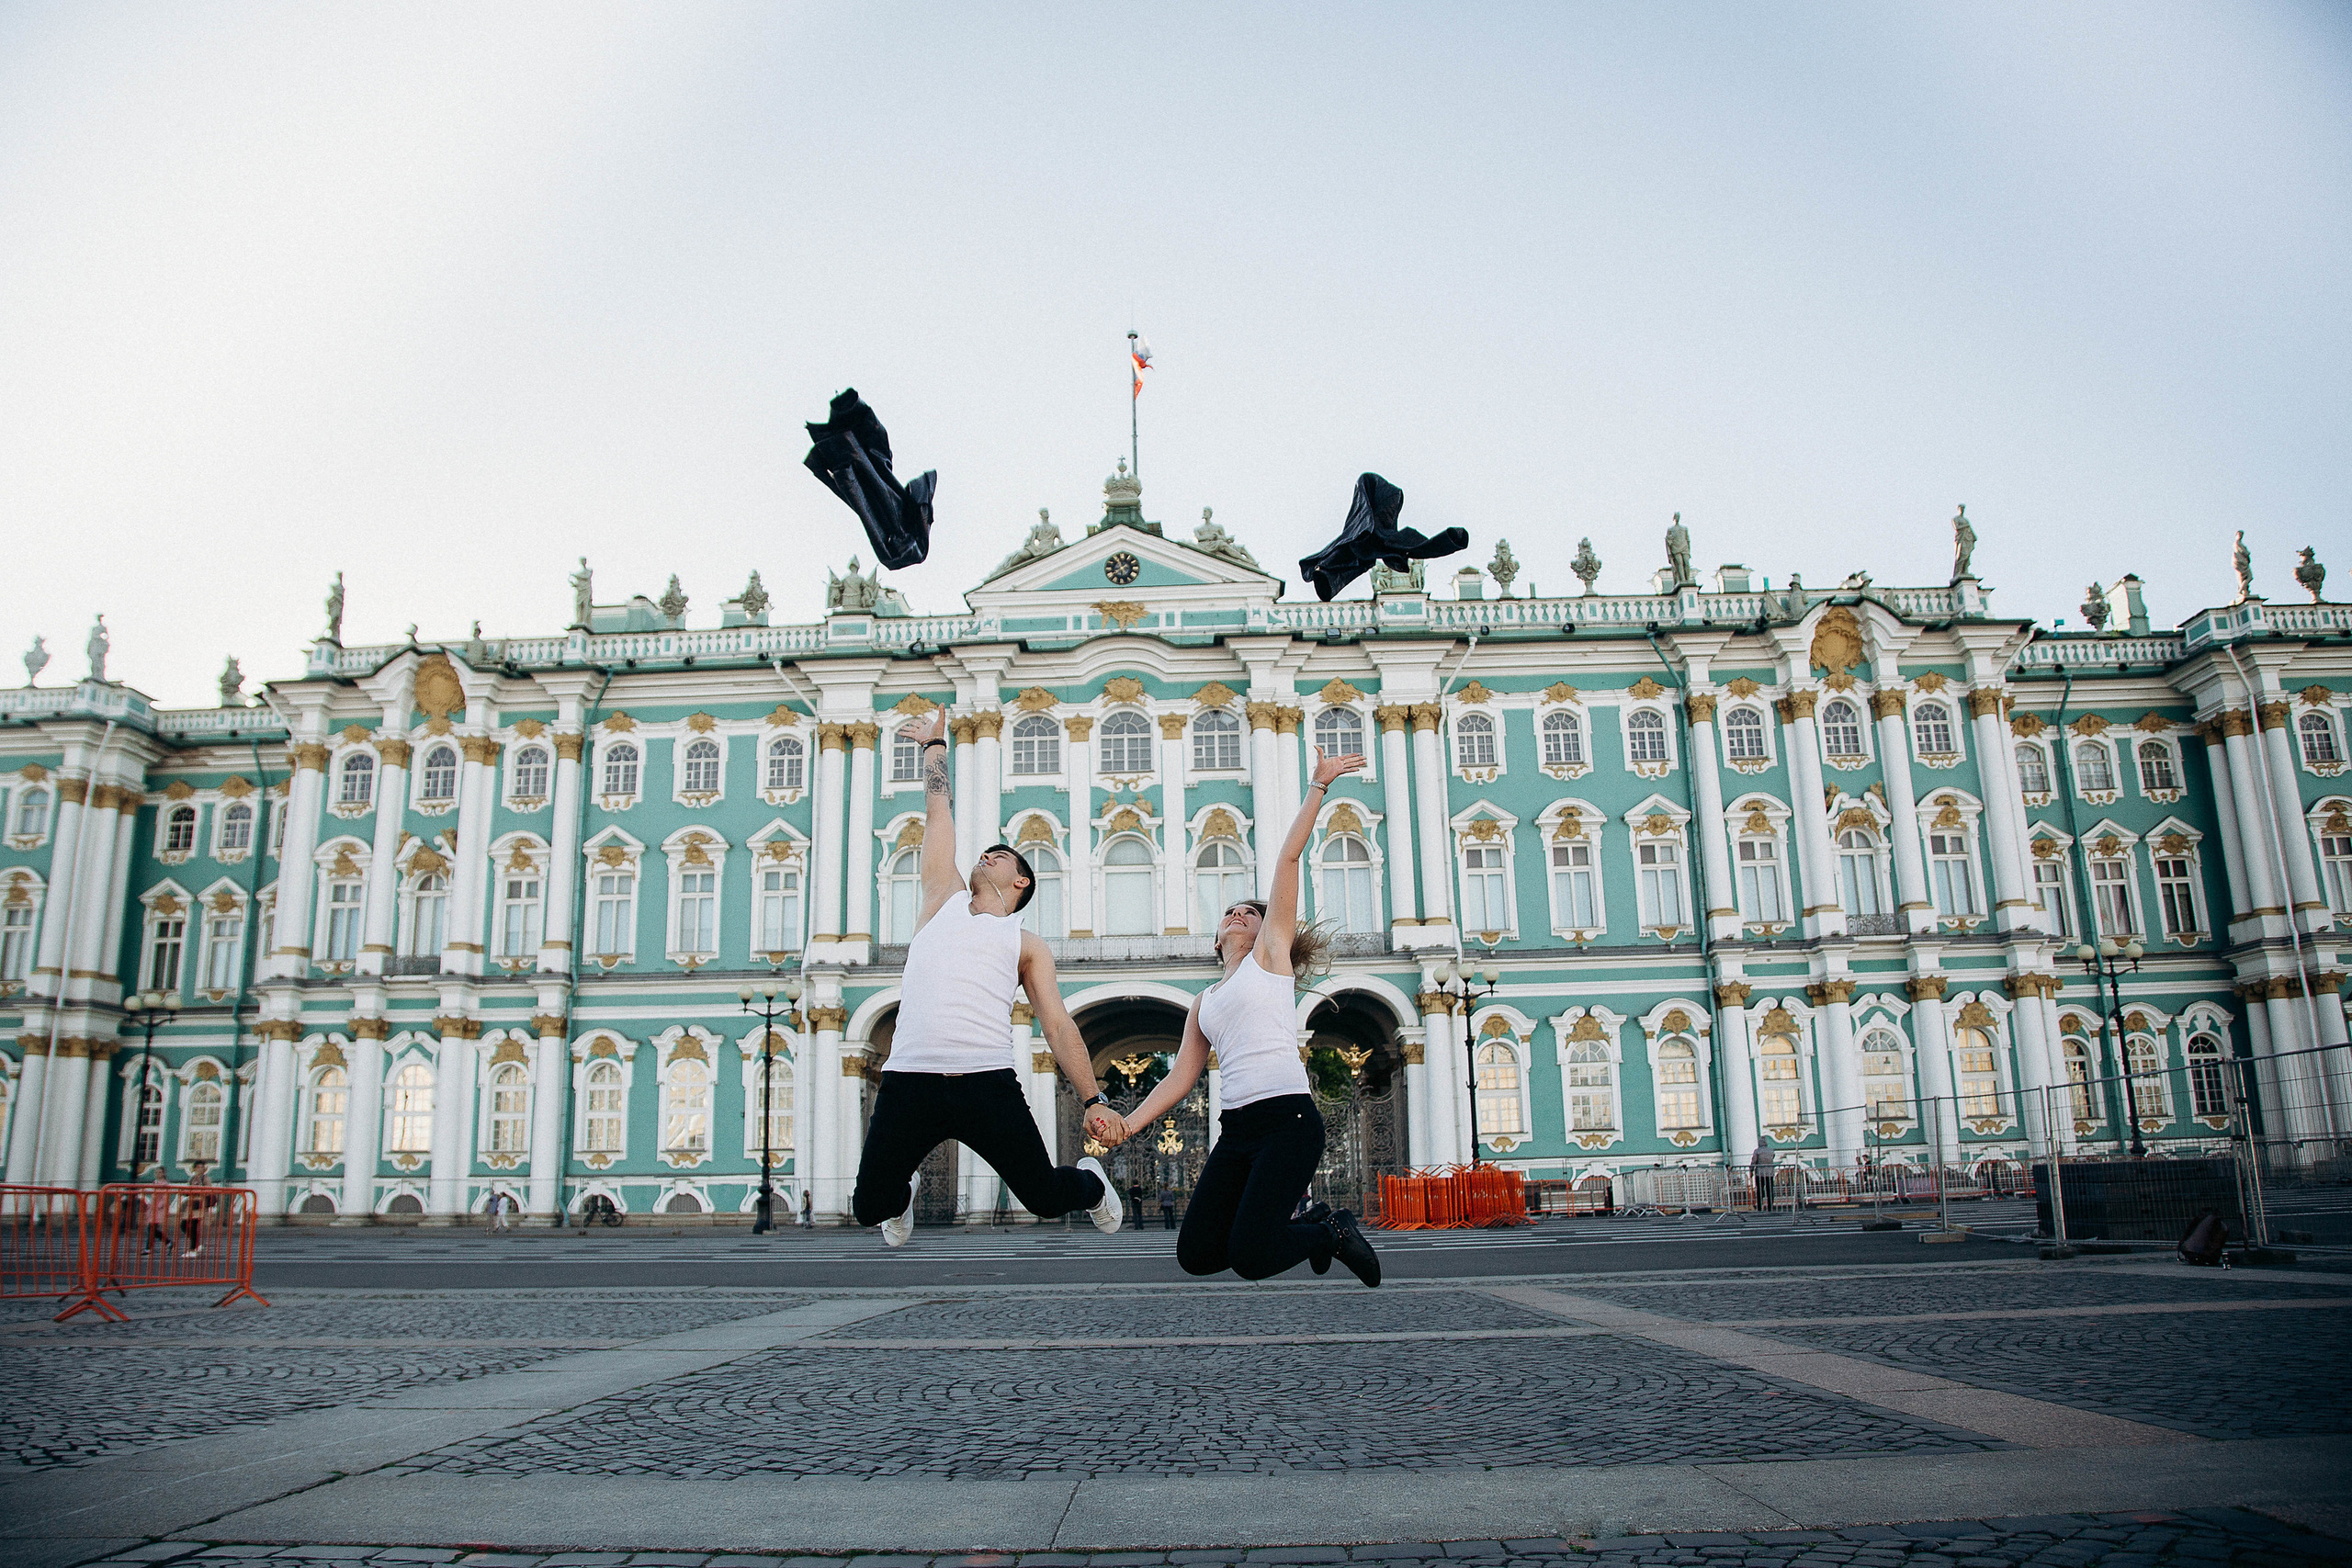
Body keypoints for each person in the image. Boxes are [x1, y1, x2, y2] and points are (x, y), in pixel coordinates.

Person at [851, 705, 1125, 1246]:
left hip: (986, 1084)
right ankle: (900, 1198)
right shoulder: (941, 901)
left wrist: (1093, 1099)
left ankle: (1091, 1185)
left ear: (1022, 880)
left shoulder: (1027, 945)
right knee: (868, 1206)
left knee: (1044, 1197)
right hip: (910, 1081)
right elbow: (938, 816)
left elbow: (1058, 1025)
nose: (986, 856)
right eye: (985, 852)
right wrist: (934, 750)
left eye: (999, 856)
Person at [1117, 745, 1381, 1287]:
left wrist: (1319, 786)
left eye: (1252, 912)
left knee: (1254, 1255)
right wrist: (1129, 1123)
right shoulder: (1205, 1001)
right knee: (1197, 1253)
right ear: (1218, 940)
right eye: (1231, 912)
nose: (1240, 913)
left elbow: (1286, 860)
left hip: (1288, 1123)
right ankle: (1312, 1226)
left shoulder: (1270, 959)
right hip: (1236, 1132)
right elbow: (1181, 1078)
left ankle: (1329, 1230)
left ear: (1266, 930)